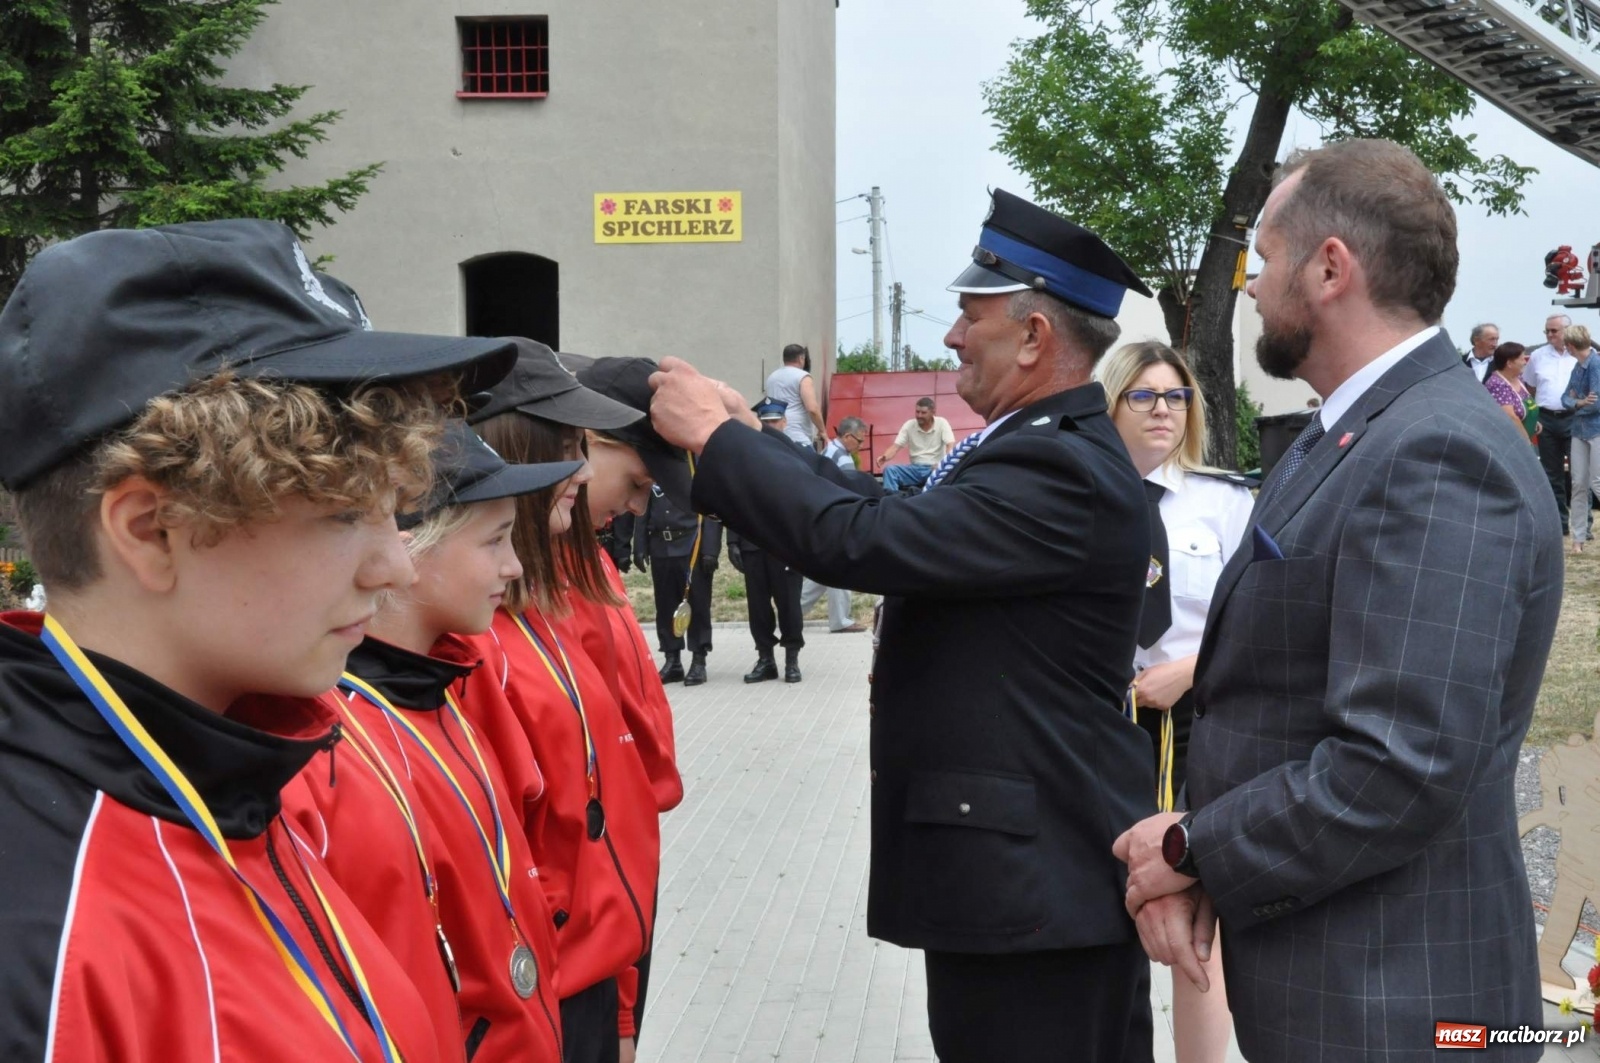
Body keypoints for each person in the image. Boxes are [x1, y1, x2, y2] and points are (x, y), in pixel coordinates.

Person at [650, 187, 1159, 1063]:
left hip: (1034, 893)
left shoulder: (1056, 466)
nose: (954, 335)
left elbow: (863, 540)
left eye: (972, 314)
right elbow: (881, 506)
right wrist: (751, 438)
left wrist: (716, 442)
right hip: (1026, 885)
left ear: (1036, 336)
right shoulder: (1036, 446)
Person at [0, 219, 517, 1061]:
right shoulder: (41, 949)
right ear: (153, 528)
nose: (394, 565)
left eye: (396, 511)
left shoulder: (239, 778)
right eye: (346, 513)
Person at [1115, 139, 1559, 1063]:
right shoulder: (1355, 430)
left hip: (1402, 1006)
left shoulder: (1438, 452)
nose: (1249, 286)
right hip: (1344, 983)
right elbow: (1276, 697)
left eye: (1264, 259)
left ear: (1330, 268)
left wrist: (1197, 847)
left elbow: (1398, 763)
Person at [287, 421, 579, 1063]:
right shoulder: (320, 745)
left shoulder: (444, 690)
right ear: (410, 550)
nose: (516, 566)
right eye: (496, 541)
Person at [466, 347, 672, 1063]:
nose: (582, 474)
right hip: (550, 981)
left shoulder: (540, 605)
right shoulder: (476, 643)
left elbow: (597, 811)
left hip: (596, 951)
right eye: (567, 448)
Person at [1097, 341, 1251, 1063]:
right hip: (1103, 724)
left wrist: (1186, 671)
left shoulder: (1223, 501)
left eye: (1177, 396)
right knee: (1106, 901)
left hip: (1196, 722)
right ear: (1112, 403)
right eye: (1145, 395)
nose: (1164, 410)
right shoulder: (1086, 498)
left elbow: (1256, 622)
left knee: (1198, 913)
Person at [729, 401, 809, 683]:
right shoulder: (745, 457)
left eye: (776, 422)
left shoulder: (797, 455)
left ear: (785, 423)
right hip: (752, 543)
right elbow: (734, 500)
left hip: (785, 546)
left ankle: (791, 659)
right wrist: (732, 542)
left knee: (789, 605)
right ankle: (766, 659)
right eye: (766, 422)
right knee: (758, 607)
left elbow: (805, 503)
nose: (771, 427)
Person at [634, 483, 722, 685]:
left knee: (697, 604)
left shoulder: (693, 467)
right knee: (665, 605)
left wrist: (710, 549)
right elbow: (643, 504)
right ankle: (672, 659)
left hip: (693, 543)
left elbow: (713, 508)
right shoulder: (654, 467)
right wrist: (639, 544)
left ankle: (698, 660)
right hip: (661, 546)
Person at [799, 416, 869, 634]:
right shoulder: (841, 457)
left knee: (822, 573)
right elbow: (848, 490)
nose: (861, 446)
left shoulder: (832, 452)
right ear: (847, 436)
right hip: (836, 519)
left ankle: (791, 613)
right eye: (859, 441)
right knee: (841, 565)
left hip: (823, 517)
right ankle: (840, 620)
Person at [1526, 312, 1577, 533]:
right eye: (1546, 330)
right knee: (1552, 473)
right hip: (1547, 419)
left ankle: (1583, 525)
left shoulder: (1582, 353)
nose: (1549, 334)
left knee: (1579, 473)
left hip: (1574, 418)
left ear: (1567, 331)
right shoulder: (1537, 356)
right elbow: (1530, 387)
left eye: (1554, 331)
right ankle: (1560, 523)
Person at [1562, 324, 1600, 554]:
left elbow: (1597, 403)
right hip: (1578, 430)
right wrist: (1578, 403)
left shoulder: (1596, 364)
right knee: (1578, 484)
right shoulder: (1577, 367)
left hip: (1596, 429)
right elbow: (1565, 396)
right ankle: (1578, 538)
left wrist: (1576, 404)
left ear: (1571, 346)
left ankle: (1579, 537)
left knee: (1597, 482)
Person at [873, 397, 955, 491]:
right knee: (890, 470)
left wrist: (943, 463)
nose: (919, 415)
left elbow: (950, 445)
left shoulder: (942, 423)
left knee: (948, 474)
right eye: (917, 412)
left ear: (933, 412)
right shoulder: (909, 425)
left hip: (934, 468)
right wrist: (884, 457)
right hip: (915, 469)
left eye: (923, 413)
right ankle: (892, 500)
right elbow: (896, 446)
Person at [764, 342, 827, 448]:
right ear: (801, 358)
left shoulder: (772, 378)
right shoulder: (803, 377)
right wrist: (822, 430)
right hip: (797, 436)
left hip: (774, 436)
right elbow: (812, 409)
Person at [1484, 342, 1538, 441]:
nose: (1525, 362)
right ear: (1509, 363)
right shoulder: (1497, 384)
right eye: (1521, 359)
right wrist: (1525, 440)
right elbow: (1511, 416)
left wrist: (1534, 421)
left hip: (1524, 435)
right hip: (1509, 440)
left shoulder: (1519, 378)